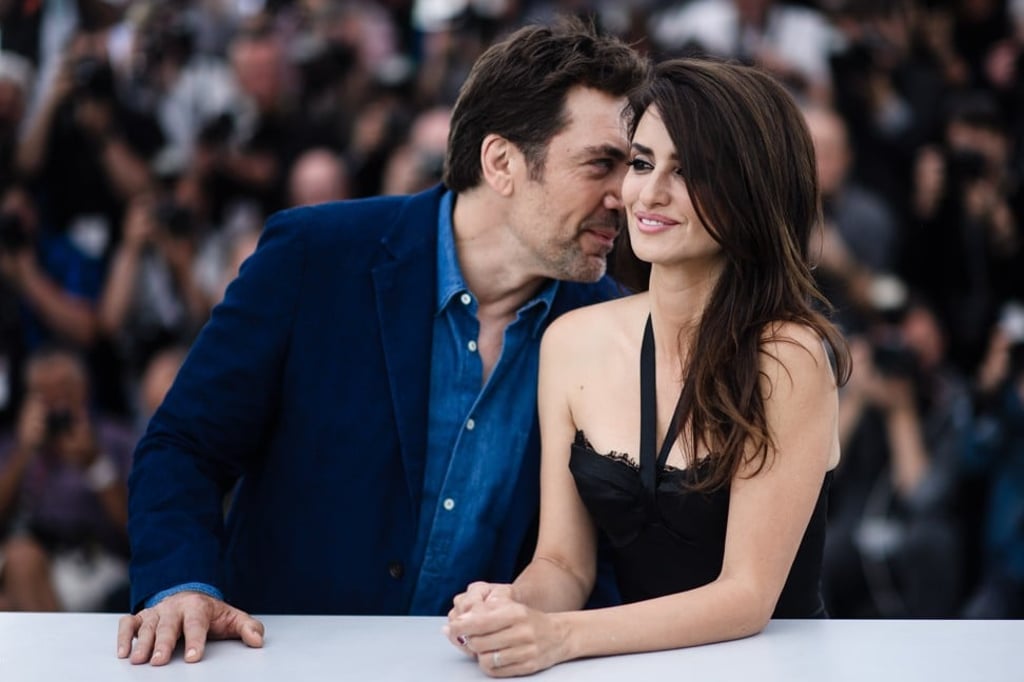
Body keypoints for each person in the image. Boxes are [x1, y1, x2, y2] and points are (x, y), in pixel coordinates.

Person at [116, 17, 650, 666]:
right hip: (281, 661)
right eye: (603, 163)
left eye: (634, 165)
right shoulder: (315, 256)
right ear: (502, 162)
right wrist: (181, 584)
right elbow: (184, 446)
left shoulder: (614, 323)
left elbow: (607, 555)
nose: (627, 193)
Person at [444, 57, 852, 677]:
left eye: (688, 172)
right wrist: (513, 607)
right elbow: (565, 563)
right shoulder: (571, 341)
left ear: (751, 189)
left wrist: (560, 636)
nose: (647, 193)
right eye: (641, 162)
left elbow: (746, 596)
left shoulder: (788, 356)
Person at [0, 345, 135, 612]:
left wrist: (95, 464)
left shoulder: (115, 439)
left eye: (65, 389)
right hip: (34, 555)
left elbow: (135, 529)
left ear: (84, 389)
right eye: (44, 393)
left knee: (17, 575)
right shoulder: (16, 444)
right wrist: (24, 452)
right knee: (19, 564)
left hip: (95, 560)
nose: (57, 401)